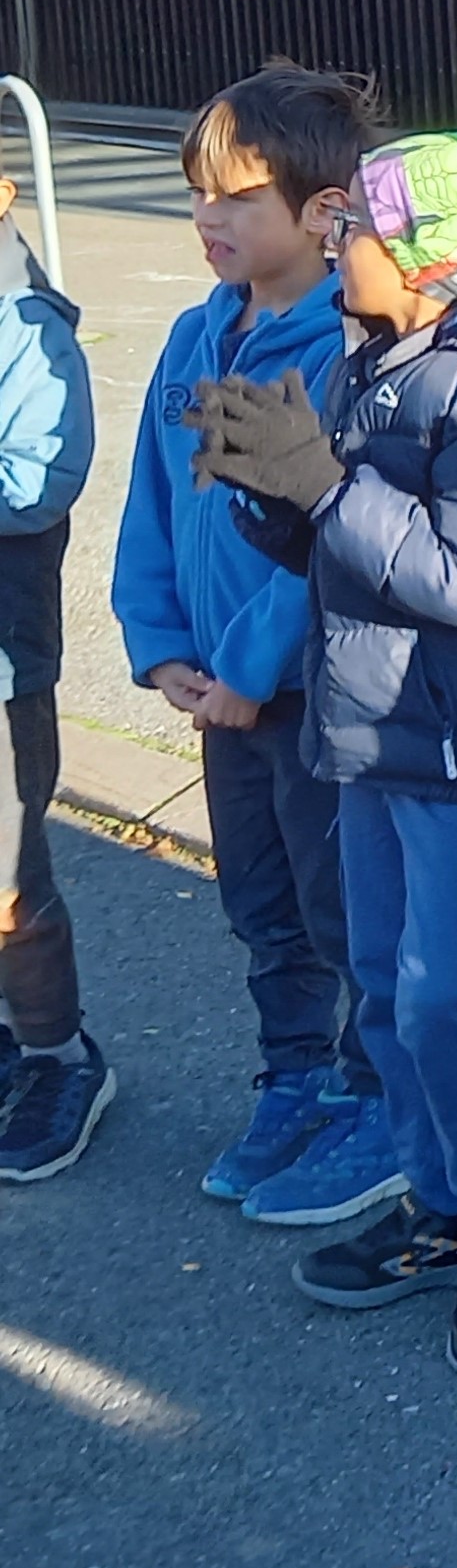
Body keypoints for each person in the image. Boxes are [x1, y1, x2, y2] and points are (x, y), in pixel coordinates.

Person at [193, 130, 457, 1373]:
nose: (332, 241)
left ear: (444, 263)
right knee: (378, 981)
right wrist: (269, 490)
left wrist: (319, 489)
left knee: (438, 991)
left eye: (359, 231)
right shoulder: (376, 361)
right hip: (369, 724)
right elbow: (344, 562)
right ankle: (435, 1204)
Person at [115, 64, 401, 1225]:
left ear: (325, 211)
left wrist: (244, 669)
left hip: (310, 701)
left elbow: (318, 546)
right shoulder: (199, 336)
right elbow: (153, 500)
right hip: (217, 700)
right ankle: (296, 1078)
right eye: (198, 195)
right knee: (262, 905)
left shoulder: (338, 348)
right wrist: (159, 642)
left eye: (236, 197)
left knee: (345, 912)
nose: (207, 218)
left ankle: (378, 1100)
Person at [0, 171, 99, 1184]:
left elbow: (36, 480)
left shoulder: (27, 328)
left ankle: (56, 1054)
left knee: (10, 880)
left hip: (0, 661)